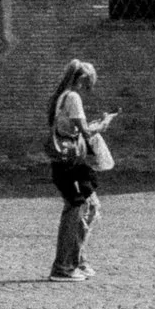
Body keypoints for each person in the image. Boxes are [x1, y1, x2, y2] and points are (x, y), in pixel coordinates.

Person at [45, 59, 118, 281]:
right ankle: (63, 267)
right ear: (82, 79)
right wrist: (102, 125)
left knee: (90, 205)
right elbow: (84, 132)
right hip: (71, 163)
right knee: (76, 208)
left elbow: (72, 129)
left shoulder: (60, 97)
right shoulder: (72, 97)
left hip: (67, 162)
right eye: (88, 82)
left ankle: (77, 260)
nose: (88, 88)